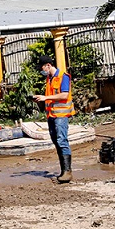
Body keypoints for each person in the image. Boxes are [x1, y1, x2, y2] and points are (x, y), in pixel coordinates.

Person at [33, 55, 75, 183]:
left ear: (48, 65)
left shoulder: (63, 76)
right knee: (56, 141)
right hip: (51, 115)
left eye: (42, 68)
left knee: (62, 140)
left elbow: (64, 94)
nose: (42, 70)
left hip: (61, 115)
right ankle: (64, 170)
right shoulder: (49, 78)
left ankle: (67, 172)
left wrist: (46, 98)